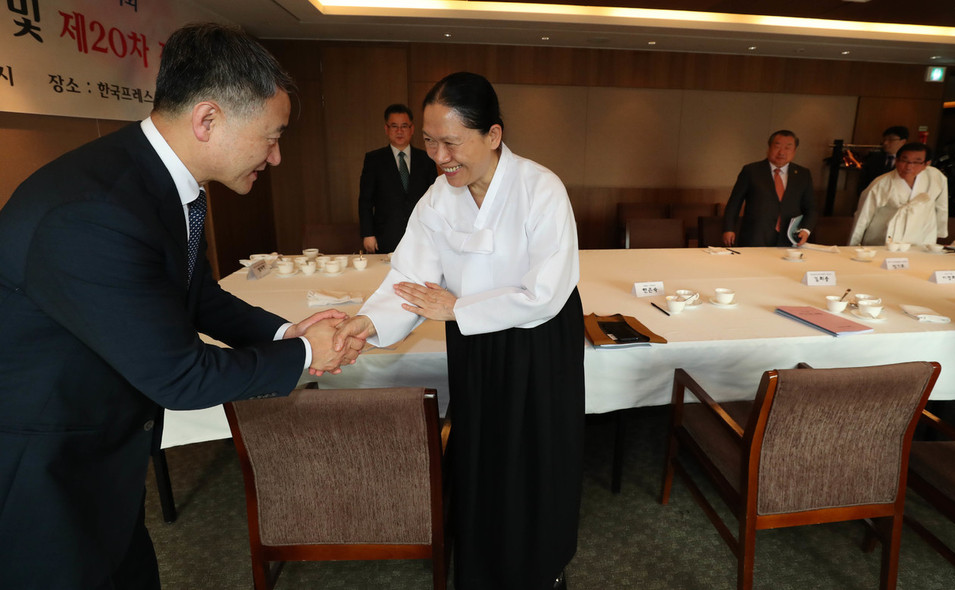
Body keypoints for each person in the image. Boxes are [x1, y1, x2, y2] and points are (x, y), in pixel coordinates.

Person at [0, 23, 363, 589]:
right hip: (38, 471)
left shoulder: (152, 182)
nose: (277, 156)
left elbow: (196, 296)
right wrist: (300, 355)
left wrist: (288, 331)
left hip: (101, 456)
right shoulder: (95, 210)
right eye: (270, 137)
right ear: (208, 119)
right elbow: (180, 376)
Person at [329, 72, 584, 590]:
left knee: (535, 457)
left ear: (493, 135)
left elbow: (546, 292)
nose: (439, 155)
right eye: (429, 140)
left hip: (537, 345)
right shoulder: (438, 199)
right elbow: (407, 278)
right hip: (473, 344)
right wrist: (368, 321)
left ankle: (542, 570)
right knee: (481, 458)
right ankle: (483, 571)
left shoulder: (540, 188)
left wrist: (459, 308)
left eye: (451, 141)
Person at [358, 104, 439, 253]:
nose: (399, 131)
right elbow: (365, 201)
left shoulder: (426, 159)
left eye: (404, 126)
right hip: (386, 235)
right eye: (394, 126)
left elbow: (435, 198)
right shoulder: (374, 160)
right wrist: (368, 233)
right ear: (386, 129)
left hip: (422, 235)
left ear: (412, 129)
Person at [722, 130, 817, 247]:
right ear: (769, 148)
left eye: (788, 148)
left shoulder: (803, 174)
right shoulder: (751, 171)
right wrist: (729, 229)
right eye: (777, 146)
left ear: (794, 151)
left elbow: (811, 207)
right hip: (755, 236)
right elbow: (734, 203)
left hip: (789, 238)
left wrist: (806, 229)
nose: (782, 152)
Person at [849, 142, 948, 246]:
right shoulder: (881, 183)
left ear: (926, 164)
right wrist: (853, 245)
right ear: (896, 160)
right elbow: (863, 215)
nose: (909, 166)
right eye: (904, 160)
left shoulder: (936, 177)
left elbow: (941, 206)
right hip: (885, 236)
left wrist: (939, 233)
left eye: (916, 162)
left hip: (922, 235)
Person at [858, 126, 909, 196]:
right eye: (884, 139)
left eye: (890, 140)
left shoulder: (907, 162)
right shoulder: (873, 158)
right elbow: (863, 182)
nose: (885, 143)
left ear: (903, 142)